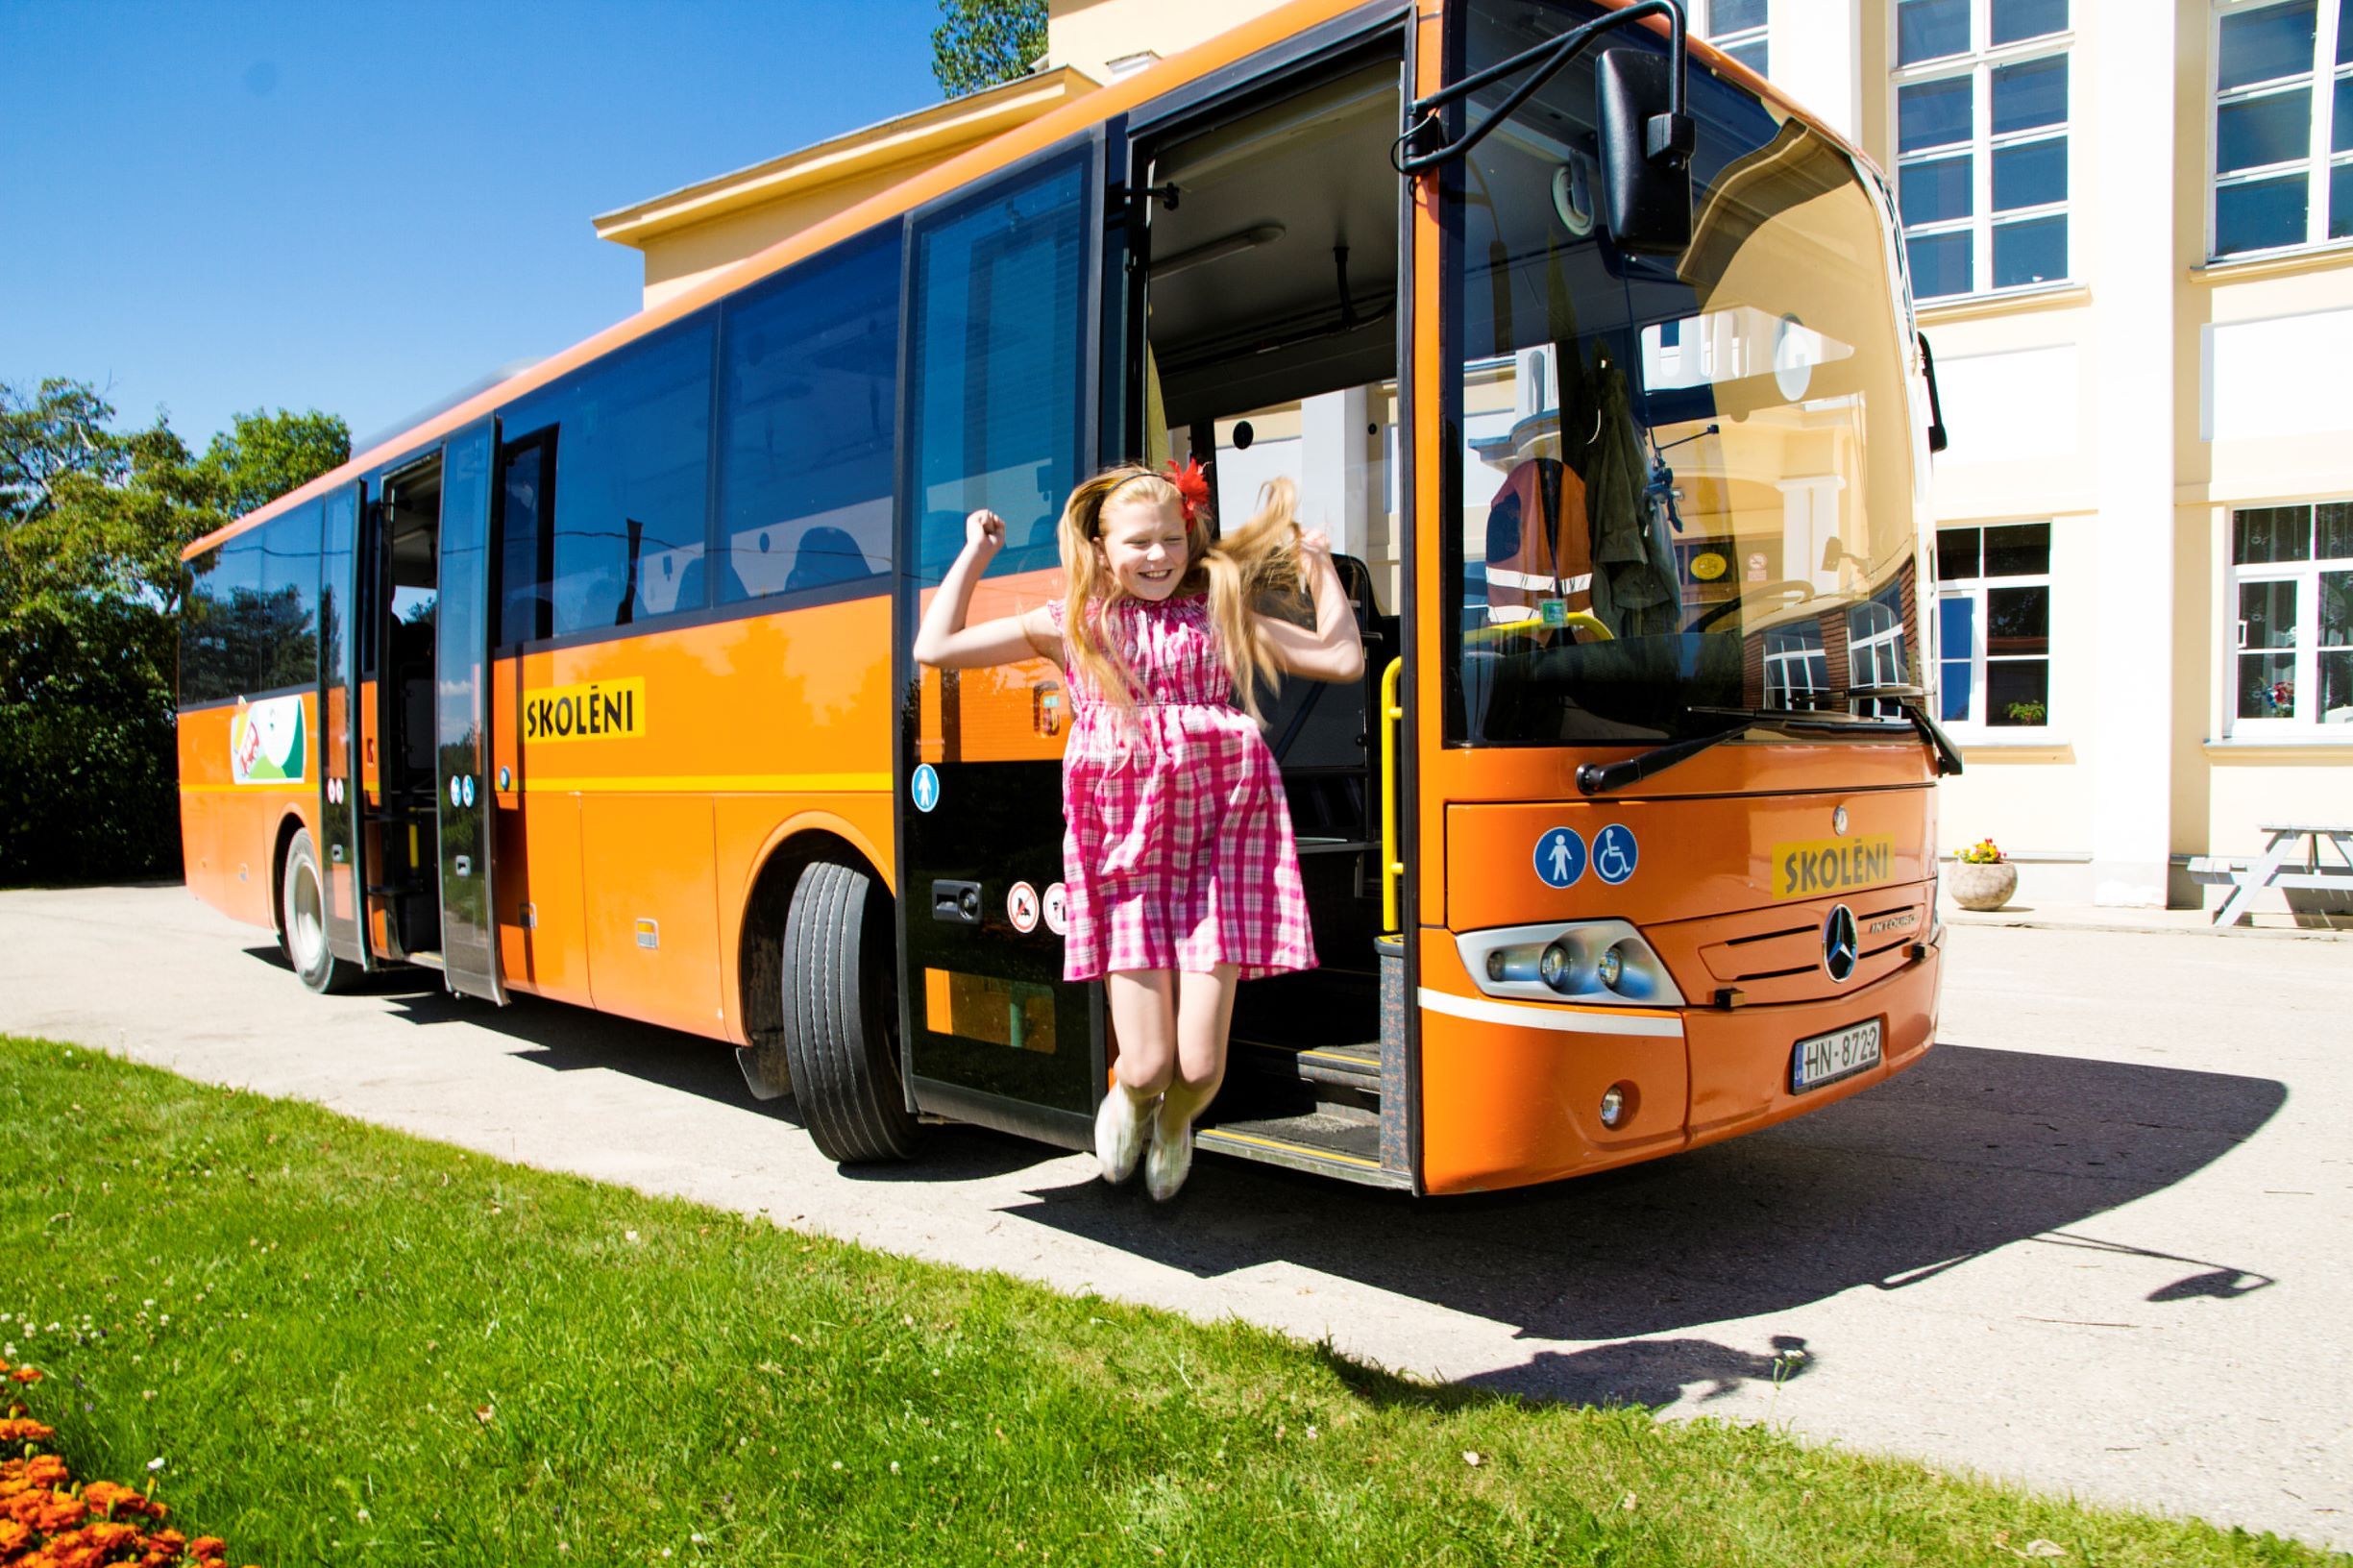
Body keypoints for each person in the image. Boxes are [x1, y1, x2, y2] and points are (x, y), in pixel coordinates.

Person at [912, 462, 1365, 1201]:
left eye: (1170, 539)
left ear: (1189, 536)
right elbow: (934, 647)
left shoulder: (1219, 613)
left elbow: (1341, 658)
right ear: (1099, 547)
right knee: (1149, 1063)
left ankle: (1177, 1122)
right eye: (1138, 543)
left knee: (1201, 1068)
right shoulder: (1072, 623)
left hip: (1222, 852)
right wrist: (976, 554)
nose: (1158, 557)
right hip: (1127, 860)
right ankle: (1130, 1099)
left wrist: (1317, 567)